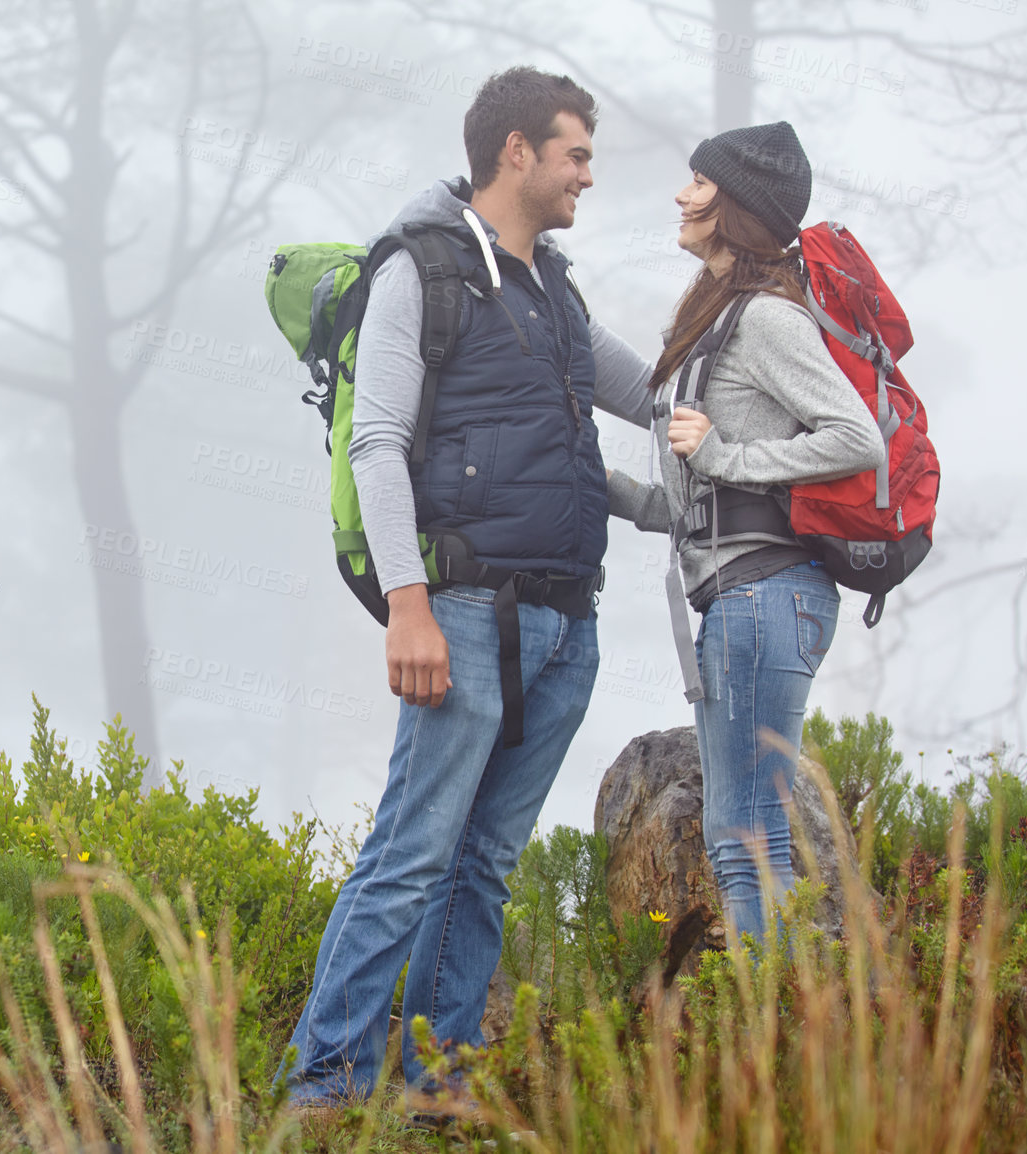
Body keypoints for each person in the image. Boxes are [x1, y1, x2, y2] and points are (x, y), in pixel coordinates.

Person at [281, 66, 658, 1108]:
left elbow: (646, 391)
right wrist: (406, 602)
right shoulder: (422, 271)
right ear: (516, 152)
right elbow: (377, 440)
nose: (589, 173)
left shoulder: (555, 291)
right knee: (410, 855)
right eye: (575, 152)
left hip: (563, 624)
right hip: (458, 612)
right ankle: (324, 1086)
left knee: (482, 864)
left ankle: (437, 1080)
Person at [605, 121, 884, 944]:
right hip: (741, 597)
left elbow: (856, 436)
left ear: (737, 207)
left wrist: (727, 451)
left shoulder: (765, 318)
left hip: (766, 596)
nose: (683, 195)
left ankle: (772, 1040)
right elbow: (702, 500)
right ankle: (773, 1031)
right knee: (740, 834)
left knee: (745, 836)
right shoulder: (714, 318)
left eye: (700, 182)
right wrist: (616, 491)